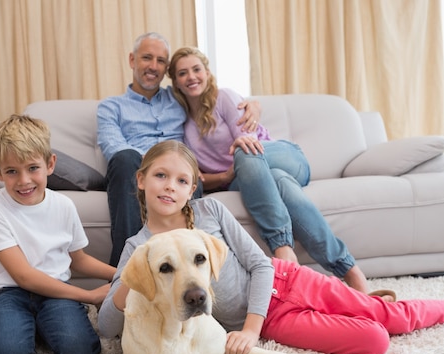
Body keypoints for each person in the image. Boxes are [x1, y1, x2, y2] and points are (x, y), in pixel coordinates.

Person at [97, 141, 444, 354]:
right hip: (276, 322)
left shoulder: (209, 211)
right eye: (160, 176)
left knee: (390, 316)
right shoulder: (139, 250)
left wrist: (249, 329)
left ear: (192, 188)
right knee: (376, 340)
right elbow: (108, 328)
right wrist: (133, 279)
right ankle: (359, 307)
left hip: (285, 283)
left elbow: (259, 265)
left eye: (181, 180)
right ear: (141, 179)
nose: (169, 186)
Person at [166, 46, 390, 299]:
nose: (191, 77)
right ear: (176, 82)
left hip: (281, 156)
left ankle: (282, 248)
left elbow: (247, 141)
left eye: (196, 69)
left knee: (246, 153)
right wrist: (225, 177)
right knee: (280, 183)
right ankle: (351, 272)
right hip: (249, 178)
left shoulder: (224, 98)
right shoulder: (182, 123)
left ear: (207, 72)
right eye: (183, 73)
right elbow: (196, 174)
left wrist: (236, 161)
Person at [97, 32, 261, 267]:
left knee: (188, 174)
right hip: (135, 170)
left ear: (166, 69)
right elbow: (113, 147)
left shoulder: (179, 98)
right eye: (147, 58)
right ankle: (126, 267)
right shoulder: (111, 107)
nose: (153, 66)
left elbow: (213, 98)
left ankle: (189, 266)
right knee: (124, 158)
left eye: (161, 61)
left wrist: (254, 105)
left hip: (179, 171)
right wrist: (157, 166)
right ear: (132, 60)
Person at [0, 114, 116, 354]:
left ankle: (37, 326)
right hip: (8, 294)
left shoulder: (63, 205)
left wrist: (122, 274)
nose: (24, 181)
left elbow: (80, 260)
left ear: (50, 164)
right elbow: (23, 276)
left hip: (55, 293)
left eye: (32, 168)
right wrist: (90, 296)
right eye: (12, 171)